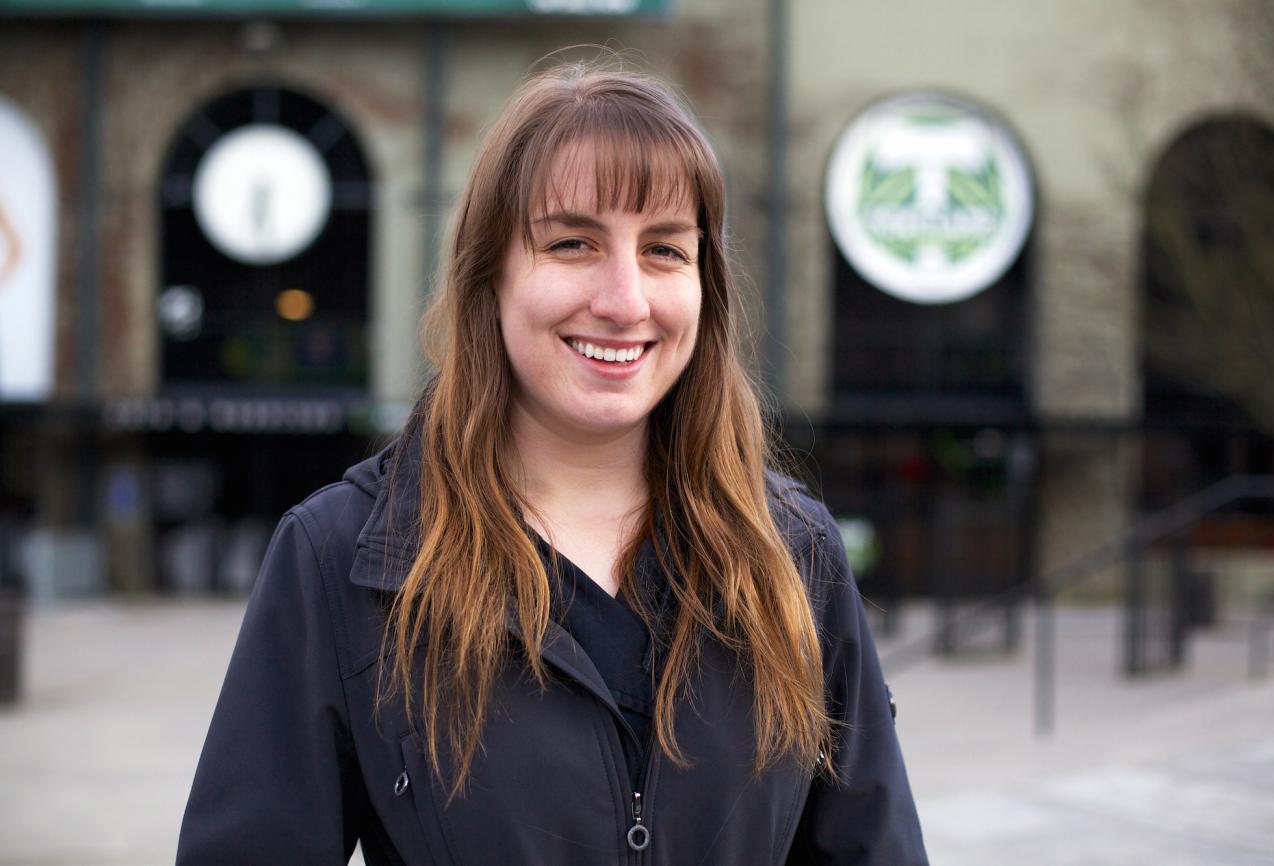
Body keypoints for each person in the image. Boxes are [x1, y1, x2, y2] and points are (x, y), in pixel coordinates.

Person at [177, 60, 928, 866]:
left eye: (665, 250)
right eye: (573, 242)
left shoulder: (794, 553)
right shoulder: (345, 562)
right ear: (489, 274)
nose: (625, 299)